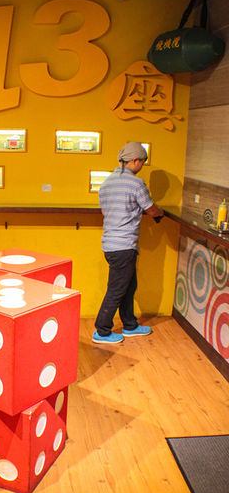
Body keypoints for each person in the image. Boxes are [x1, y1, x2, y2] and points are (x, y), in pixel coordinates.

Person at [92, 142, 164, 344]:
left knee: (129, 286)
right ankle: (102, 331)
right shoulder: (135, 183)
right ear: (135, 160)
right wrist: (160, 213)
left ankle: (130, 325)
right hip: (124, 245)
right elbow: (150, 209)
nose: (142, 166)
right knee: (116, 289)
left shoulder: (106, 183)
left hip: (110, 244)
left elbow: (105, 212)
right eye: (142, 162)